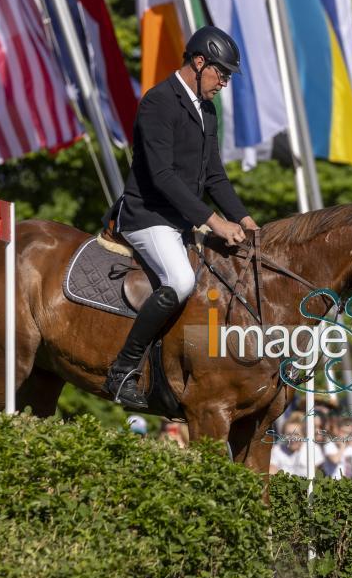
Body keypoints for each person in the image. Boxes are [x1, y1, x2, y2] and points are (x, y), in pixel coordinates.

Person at [103, 26, 259, 408]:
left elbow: (214, 175)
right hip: (147, 215)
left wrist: (244, 218)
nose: (224, 82)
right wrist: (214, 221)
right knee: (181, 280)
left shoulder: (206, 110)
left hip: (180, 218)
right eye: (221, 73)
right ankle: (122, 369)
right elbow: (162, 177)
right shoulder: (158, 102)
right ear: (199, 62)